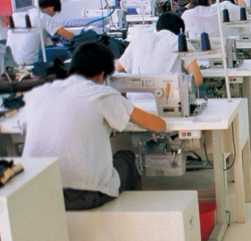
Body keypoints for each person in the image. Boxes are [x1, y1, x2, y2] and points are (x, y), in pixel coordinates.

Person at [20, 42, 166, 211]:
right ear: (101, 74)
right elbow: (157, 125)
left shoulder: (38, 94)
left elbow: (23, 126)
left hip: (34, 192)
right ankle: (130, 221)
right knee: (127, 159)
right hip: (82, 194)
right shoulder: (102, 95)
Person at [116, 13, 203, 85]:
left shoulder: (140, 38)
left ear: (156, 28)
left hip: (135, 98)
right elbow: (197, 80)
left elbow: (119, 68)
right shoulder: (181, 43)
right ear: (181, 32)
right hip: (169, 97)